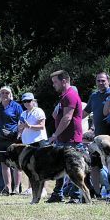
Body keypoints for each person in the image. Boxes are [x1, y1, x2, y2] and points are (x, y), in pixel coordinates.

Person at [47, 71, 87, 203]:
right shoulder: (64, 96)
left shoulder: (70, 95)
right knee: (58, 166)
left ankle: (75, 196)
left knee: (74, 168)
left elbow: (67, 118)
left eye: (55, 82)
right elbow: (57, 116)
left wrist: (54, 135)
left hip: (71, 140)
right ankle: (57, 194)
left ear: (64, 81)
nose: (53, 85)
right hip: (64, 139)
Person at [0, 86, 23, 195]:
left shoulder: (16, 106)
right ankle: (7, 187)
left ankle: (17, 188)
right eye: (2, 93)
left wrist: (18, 134)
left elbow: (22, 122)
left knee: (16, 164)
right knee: (4, 164)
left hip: (13, 140)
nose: (4, 95)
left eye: (7, 93)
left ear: (11, 95)